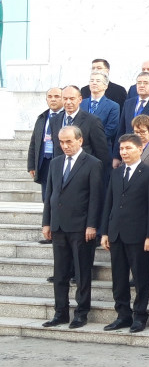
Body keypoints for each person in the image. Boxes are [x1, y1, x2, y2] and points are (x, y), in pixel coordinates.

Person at [41, 126, 103, 329]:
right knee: (60, 273)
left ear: (80, 140)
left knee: (82, 272)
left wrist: (92, 225)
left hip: (81, 227)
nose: (65, 146)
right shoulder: (56, 163)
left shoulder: (93, 163)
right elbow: (50, 194)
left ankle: (81, 313)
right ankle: (60, 313)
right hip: (58, 226)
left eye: (69, 142)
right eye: (61, 142)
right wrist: (47, 222)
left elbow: (96, 198)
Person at [100, 134, 149, 333]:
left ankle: (140, 316)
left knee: (141, 278)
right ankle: (122, 315)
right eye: (122, 149)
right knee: (119, 278)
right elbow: (109, 202)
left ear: (140, 149)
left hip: (139, 235)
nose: (124, 152)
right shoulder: (116, 173)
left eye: (128, 148)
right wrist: (105, 231)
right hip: (116, 233)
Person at [51, 86, 111, 175]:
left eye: (72, 99)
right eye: (65, 99)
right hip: (61, 172)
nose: (68, 102)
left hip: (84, 173)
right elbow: (56, 147)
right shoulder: (55, 120)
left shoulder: (92, 121)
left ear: (80, 99)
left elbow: (102, 152)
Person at [28, 87, 64, 204]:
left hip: (60, 161)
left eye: (57, 96)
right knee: (46, 198)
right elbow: (34, 142)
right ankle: (47, 222)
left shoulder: (66, 117)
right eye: (50, 97)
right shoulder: (42, 118)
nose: (53, 99)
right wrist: (31, 165)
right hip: (44, 163)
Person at [81, 72, 121, 151]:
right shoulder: (80, 103)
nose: (94, 83)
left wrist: (92, 140)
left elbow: (111, 129)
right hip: (81, 147)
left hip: (101, 148)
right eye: (92, 80)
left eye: (98, 81)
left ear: (105, 86)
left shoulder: (113, 106)